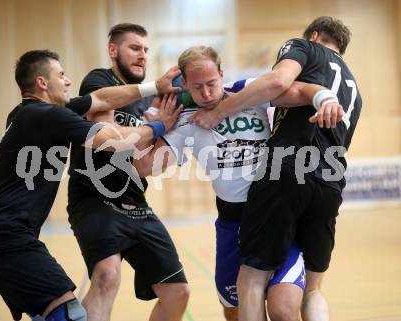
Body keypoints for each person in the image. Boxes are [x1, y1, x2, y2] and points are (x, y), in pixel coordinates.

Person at [0, 49, 181, 321]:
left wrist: (154, 87)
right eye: (61, 75)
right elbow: (114, 141)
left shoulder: (26, 114)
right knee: (68, 314)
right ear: (43, 83)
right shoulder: (46, 116)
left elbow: (101, 98)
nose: (68, 81)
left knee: (53, 313)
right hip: (5, 241)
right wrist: (159, 127)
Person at [133, 46, 343, 321]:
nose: (207, 93)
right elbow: (144, 166)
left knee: (284, 311)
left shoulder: (249, 92)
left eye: (212, 83)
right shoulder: (184, 120)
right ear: (184, 84)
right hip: (233, 224)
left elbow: (303, 90)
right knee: (235, 312)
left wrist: (325, 98)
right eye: (198, 87)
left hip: (276, 215)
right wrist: (156, 124)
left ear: (222, 74)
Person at [189, 17, 362, 321]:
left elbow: (277, 82)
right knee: (314, 289)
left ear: (315, 35)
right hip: (332, 179)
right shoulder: (354, 90)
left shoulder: (303, 46)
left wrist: (220, 111)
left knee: (252, 278)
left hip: (288, 167)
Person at [66, 24, 189, 321]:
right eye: (134, 48)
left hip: (135, 203)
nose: (142, 55)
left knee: (177, 292)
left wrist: (182, 137)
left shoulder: (146, 104)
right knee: (107, 275)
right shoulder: (99, 81)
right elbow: (112, 141)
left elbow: (144, 165)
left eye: (146, 50)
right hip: (94, 198)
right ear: (113, 50)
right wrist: (155, 127)